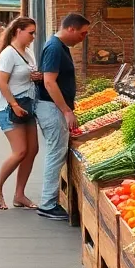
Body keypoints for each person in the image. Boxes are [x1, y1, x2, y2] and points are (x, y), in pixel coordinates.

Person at [36, 12, 90, 220]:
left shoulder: (59, 47)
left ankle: (50, 200)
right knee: (55, 153)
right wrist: (66, 110)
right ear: (71, 28)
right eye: (82, 33)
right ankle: (47, 204)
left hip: (54, 108)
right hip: (52, 108)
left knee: (56, 152)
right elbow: (49, 82)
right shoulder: (54, 48)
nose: (83, 38)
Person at [0, 17, 40, 210]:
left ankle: (20, 194)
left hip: (27, 104)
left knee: (32, 150)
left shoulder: (28, 52)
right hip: (9, 107)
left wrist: (35, 77)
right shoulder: (8, 53)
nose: (33, 36)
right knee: (20, 151)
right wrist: (14, 104)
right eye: (30, 32)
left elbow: (24, 75)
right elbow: (1, 82)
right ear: (18, 31)